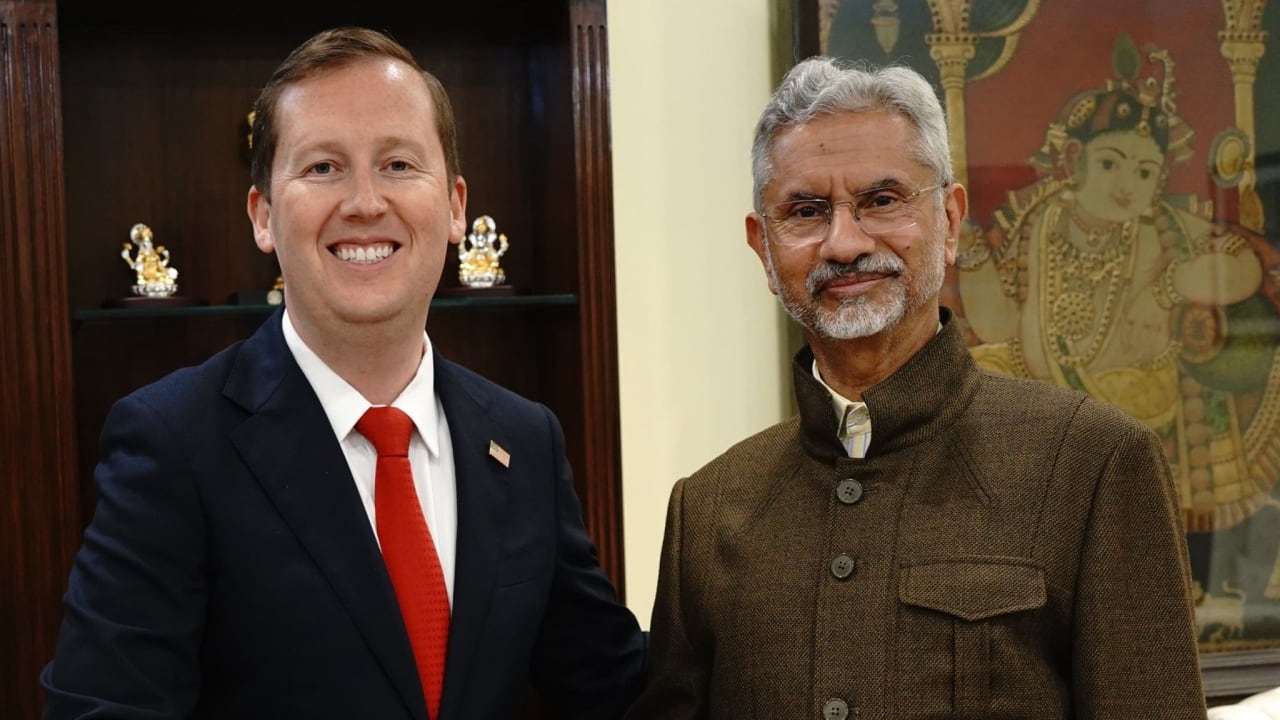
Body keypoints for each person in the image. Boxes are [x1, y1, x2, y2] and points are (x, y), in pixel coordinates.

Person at [42, 26, 645, 720]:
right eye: (323, 167)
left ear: (455, 207)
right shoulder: (172, 442)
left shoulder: (524, 439)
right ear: (263, 215)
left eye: (398, 164)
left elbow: (616, 691)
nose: (364, 202)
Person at [624, 57, 1206, 720]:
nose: (844, 244)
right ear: (763, 247)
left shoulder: (1093, 464)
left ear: (950, 221)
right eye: (806, 211)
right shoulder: (708, 509)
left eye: (881, 201)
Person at [954, 36, 1280, 616]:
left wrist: (1179, 283)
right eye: (1110, 163)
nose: (1127, 183)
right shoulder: (1041, 224)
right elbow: (1001, 322)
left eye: (1145, 170)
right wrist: (975, 260)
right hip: (1041, 395)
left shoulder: (1165, 229)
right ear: (1074, 162)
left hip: (1136, 400)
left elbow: (1245, 266)